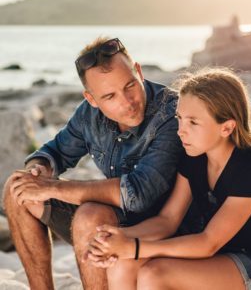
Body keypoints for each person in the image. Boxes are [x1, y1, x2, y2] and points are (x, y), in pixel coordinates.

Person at [85, 68, 251, 290]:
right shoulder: (195, 157)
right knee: (123, 264)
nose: (181, 131)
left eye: (193, 122)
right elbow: (168, 220)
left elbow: (208, 242)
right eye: (179, 118)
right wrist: (118, 238)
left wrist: (135, 247)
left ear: (226, 127)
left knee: (154, 274)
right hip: (222, 255)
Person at [3, 37, 184, 290]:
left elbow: (138, 194)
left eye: (130, 85)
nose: (127, 101)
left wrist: (52, 188)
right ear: (91, 99)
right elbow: (55, 151)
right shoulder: (89, 114)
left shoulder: (172, 113)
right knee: (17, 187)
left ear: (139, 72)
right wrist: (39, 170)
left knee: (90, 216)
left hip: (161, 233)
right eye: (109, 96)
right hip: (112, 221)